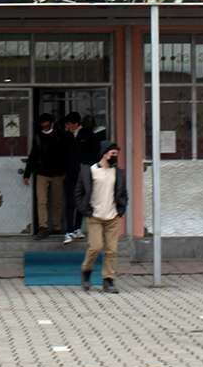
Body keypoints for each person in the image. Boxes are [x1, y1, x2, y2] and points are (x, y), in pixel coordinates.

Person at [75, 142, 128, 294]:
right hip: (95, 217)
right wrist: (84, 209)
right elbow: (78, 192)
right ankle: (86, 272)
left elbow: (123, 193)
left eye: (117, 154)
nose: (115, 156)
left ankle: (108, 280)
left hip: (112, 217)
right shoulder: (90, 171)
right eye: (113, 154)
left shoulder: (118, 173)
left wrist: (121, 210)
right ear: (104, 154)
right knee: (96, 247)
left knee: (112, 250)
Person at [24, 112, 70, 239]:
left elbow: (66, 154)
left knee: (57, 202)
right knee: (42, 201)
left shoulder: (61, 135)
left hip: (58, 173)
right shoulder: (38, 137)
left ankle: (56, 227)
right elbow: (33, 155)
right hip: (42, 173)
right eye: (43, 125)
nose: (44, 127)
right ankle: (43, 227)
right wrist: (27, 173)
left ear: (52, 124)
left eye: (47, 125)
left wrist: (66, 171)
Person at [61, 112, 86, 244]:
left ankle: (77, 228)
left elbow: (91, 153)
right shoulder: (66, 136)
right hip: (69, 175)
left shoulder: (86, 135)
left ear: (76, 124)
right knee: (70, 203)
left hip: (83, 174)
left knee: (80, 202)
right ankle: (69, 231)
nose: (67, 126)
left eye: (69, 124)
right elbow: (61, 154)